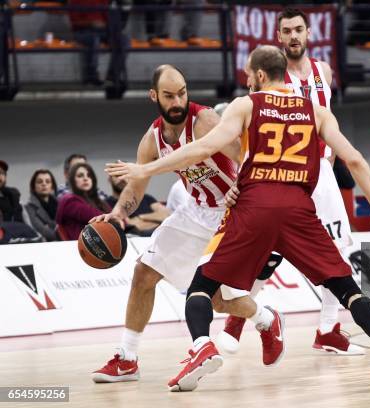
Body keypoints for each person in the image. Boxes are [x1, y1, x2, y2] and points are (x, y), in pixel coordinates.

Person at [106, 46, 370, 389]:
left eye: (249, 74)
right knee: (345, 288)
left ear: (260, 76)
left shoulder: (245, 105)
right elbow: (354, 159)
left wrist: (145, 168)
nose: (246, 80)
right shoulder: (317, 111)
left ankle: (202, 345)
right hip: (296, 207)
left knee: (203, 289)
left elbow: (207, 148)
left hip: (251, 206)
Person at [89, 65, 278, 383]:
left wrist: (244, 184)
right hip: (196, 210)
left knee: (216, 300)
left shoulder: (204, 120)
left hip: (231, 211)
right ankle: (127, 357)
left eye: (182, 93)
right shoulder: (151, 139)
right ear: (154, 96)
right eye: (168, 95)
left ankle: (266, 319)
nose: (177, 101)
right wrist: (119, 213)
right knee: (143, 273)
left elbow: (245, 153)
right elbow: (137, 185)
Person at [217, 8, 365, 357]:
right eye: (287, 31)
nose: (294, 35)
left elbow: (327, 117)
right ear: (278, 36)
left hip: (321, 174)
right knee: (266, 250)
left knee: (337, 250)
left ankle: (328, 329)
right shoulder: (269, 75)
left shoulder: (323, 71)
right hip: (283, 174)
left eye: (299, 29)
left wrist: (329, 151)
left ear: (309, 33)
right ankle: (239, 317)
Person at [56, 163, 110, 240]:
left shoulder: (98, 201)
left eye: (89, 175)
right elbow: (102, 219)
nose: (85, 178)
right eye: (80, 176)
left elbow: (117, 219)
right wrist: (117, 218)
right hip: (79, 247)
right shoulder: (70, 201)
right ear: (72, 180)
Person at [106, 175, 170, 236]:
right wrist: (159, 222)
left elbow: (167, 215)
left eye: (126, 175)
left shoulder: (146, 198)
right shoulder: (107, 203)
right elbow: (132, 226)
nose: (122, 178)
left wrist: (140, 217)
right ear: (109, 178)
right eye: (117, 175)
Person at [25, 169, 60, 242]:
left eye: (47, 181)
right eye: (39, 182)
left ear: (52, 186)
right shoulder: (29, 207)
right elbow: (41, 230)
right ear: (33, 186)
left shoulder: (60, 204)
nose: (44, 184)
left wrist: (48, 225)